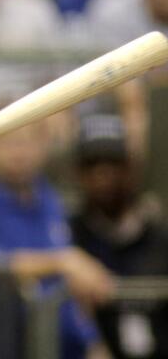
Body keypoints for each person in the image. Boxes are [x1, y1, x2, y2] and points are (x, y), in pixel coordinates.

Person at [0, 117, 114, 359]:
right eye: (9, 142)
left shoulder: (50, 199)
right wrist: (61, 261)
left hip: (64, 345)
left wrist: (92, 343)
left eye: (29, 141)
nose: (20, 152)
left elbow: (66, 290)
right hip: (3, 343)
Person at [70, 113, 168, 359]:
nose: (103, 177)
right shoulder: (70, 236)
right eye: (92, 166)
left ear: (130, 169)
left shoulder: (158, 235)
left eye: (113, 165)